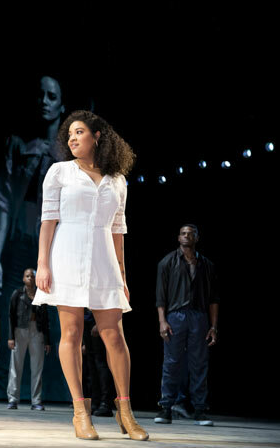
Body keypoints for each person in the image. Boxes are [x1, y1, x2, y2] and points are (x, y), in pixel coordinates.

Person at [33, 110, 147, 441]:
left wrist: (122, 274)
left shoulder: (117, 180)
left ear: (97, 136)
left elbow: (118, 229)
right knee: (71, 334)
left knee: (113, 335)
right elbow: (48, 221)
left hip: (104, 259)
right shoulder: (59, 172)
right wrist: (43, 264)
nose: (71, 138)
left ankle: (125, 412)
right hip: (66, 255)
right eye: (68, 134)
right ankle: (80, 413)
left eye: (79, 132)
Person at [0, 74, 65, 297]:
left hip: (55, 252)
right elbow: (5, 204)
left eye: (52, 97)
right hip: (19, 245)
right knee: (13, 315)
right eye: (40, 95)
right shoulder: (18, 146)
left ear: (62, 105)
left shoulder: (71, 155)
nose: (44, 101)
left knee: (50, 323)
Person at [154, 224, 219, 426]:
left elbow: (214, 299)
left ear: (197, 238)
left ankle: (200, 409)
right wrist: (162, 321)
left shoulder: (206, 265)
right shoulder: (167, 262)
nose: (186, 236)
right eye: (183, 233)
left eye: (190, 234)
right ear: (178, 237)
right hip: (175, 316)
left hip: (199, 316)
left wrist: (213, 326)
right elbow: (160, 296)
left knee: (199, 363)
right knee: (172, 362)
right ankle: (166, 408)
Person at [6, 268, 51, 410]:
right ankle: (13, 399)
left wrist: (47, 340)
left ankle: (36, 401)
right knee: (16, 366)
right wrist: (10, 337)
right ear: (23, 278)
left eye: (33, 276)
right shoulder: (17, 294)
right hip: (20, 330)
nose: (30, 278)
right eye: (27, 276)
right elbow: (11, 316)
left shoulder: (41, 294)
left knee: (37, 367)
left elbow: (45, 319)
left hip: (37, 331)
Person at [83, 309, 115, 416]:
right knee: (91, 363)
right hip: (86, 320)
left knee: (101, 362)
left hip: (98, 320)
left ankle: (105, 403)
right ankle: (95, 401)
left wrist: (99, 323)